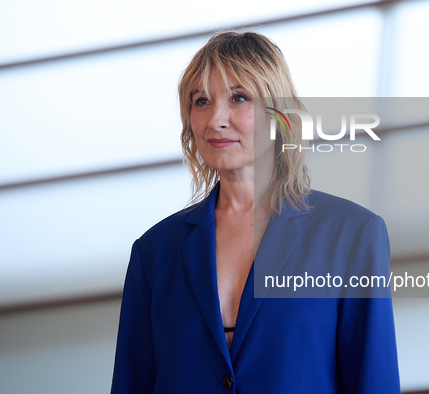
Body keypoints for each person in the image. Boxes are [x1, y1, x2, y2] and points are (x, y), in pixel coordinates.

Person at [110, 30, 400, 393]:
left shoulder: (352, 234)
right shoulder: (153, 252)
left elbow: (373, 382)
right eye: (201, 100)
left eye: (239, 98)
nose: (216, 118)